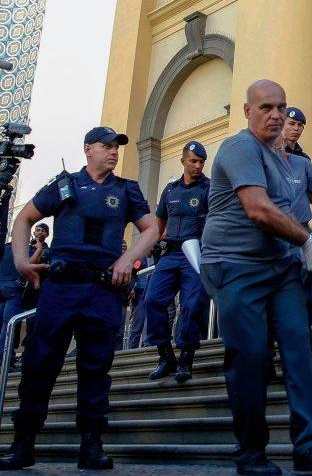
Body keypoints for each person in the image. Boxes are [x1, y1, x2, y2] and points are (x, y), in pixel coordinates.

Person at [199, 80, 312, 475]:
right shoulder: (239, 148)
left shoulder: (285, 159)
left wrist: (309, 241)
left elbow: (293, 209)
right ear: (247, 111)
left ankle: (310, 446)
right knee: (251, 358)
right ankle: (251, 454)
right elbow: (258, 209)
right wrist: (308, 239)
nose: (275, 114)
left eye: (281, 107)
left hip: (279, 267)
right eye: (266, 107)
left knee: (299, 352)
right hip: (236, 266)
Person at [0, 126, 159, 471]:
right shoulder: (65, 184)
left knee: (96, 368)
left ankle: (91, 446)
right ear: (88, 149)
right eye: (107, 146)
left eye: (117, 146)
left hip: (102, 289)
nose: (114, 151)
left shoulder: (126, 190)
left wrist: (126, 259)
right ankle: (22, 445)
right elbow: (25, 218)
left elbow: (152, 229)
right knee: (39, 365)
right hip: (60, 288)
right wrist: (19, 261)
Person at [145, 142, 211, 383]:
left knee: (192, 305)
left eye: (201, 161)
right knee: (152, 300)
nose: (198, 165)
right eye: (193, 161)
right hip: (171, 253)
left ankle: (186, 356)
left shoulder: (209, 188)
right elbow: (158, 225)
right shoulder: (170, 191)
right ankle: (165, 355)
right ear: (183, 161)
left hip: (195, 254)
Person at [274, 134, 312, 325]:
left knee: (303, 290)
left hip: (301, 237)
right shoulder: (260, 168)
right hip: (272, 237)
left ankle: (303, 337)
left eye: (279, 148)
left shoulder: (303, 164)